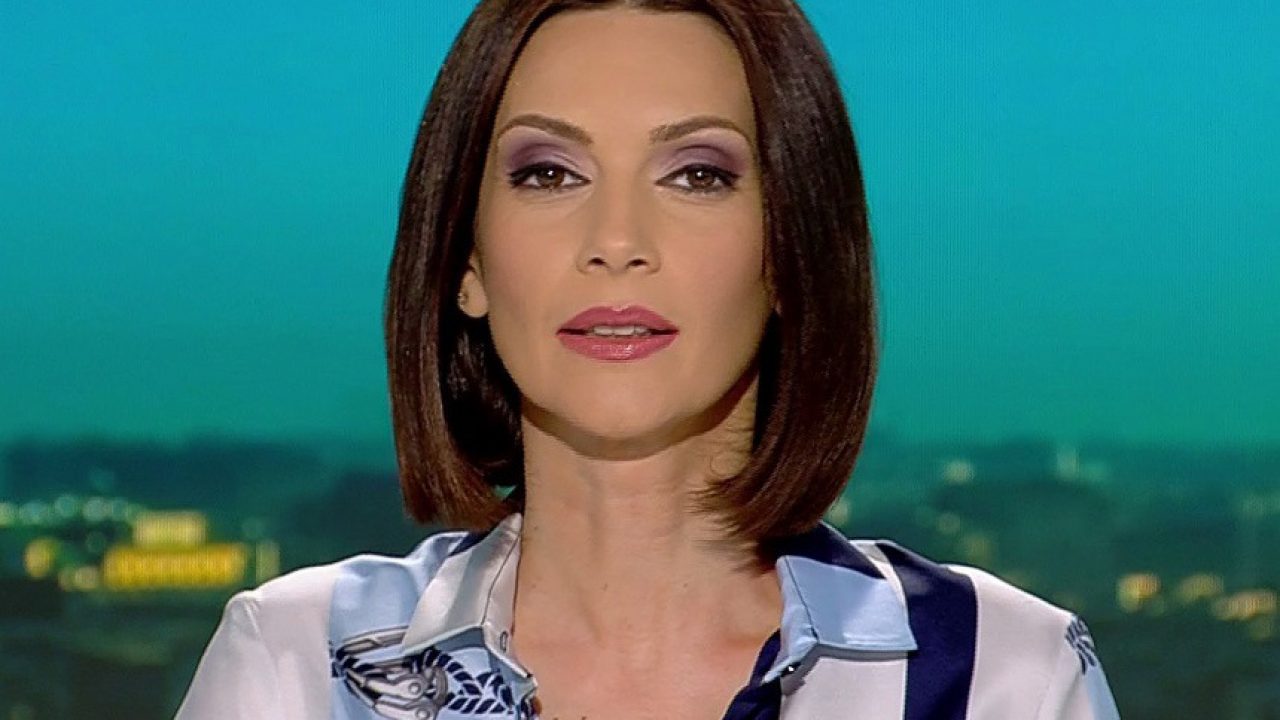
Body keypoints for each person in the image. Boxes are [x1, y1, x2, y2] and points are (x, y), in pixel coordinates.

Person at [177, 1, 1123, 718]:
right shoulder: (299, 667)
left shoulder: (998, 676)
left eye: (697, 175)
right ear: (467, 260)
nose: (617, 241)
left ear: (789, 253)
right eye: (549, 174)